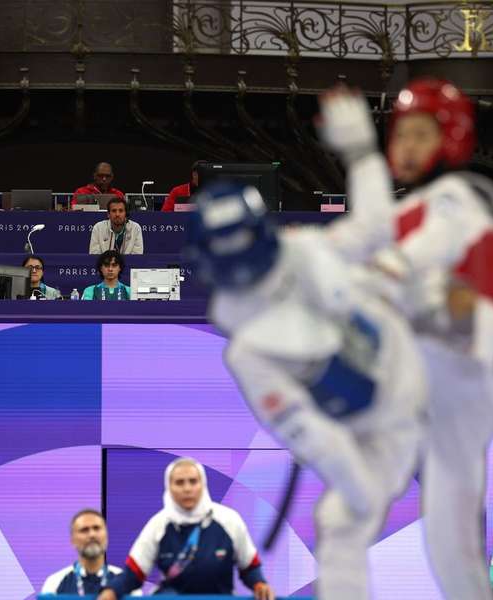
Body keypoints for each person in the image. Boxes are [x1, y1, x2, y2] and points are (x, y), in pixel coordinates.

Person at [317, 82, 493, 600]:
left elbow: (417, 250)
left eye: (420, 134)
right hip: (426, 375)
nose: (405, 146)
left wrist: (375, 277)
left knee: (446, 544)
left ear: (450, 138)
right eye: (399, 135)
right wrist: (361, 155)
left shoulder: (464, 196)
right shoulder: (414, 206)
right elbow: (368, 231)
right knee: (363, 523)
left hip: (466, 368)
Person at [181, 181, 425, 600]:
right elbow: (311, 431)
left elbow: (373, 236)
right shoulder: (241, 338)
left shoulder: (310, 249)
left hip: (413, 365)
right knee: (343, 517)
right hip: (367, 412)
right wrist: (355, 487)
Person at [98, 458, 274, 600]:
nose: (187, 488)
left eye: (193, 481)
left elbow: (250, 567)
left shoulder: (230, 519)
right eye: (180, 482)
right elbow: (133, 574)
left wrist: (260, 584)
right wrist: (111, 591)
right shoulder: (158, 524)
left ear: (203, 484)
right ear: (169, 487)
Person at [41, 509, 122, 595]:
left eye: (96, 528)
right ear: (72, 540)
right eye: (84, 530)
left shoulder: (124, 581)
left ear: (106, 535)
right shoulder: (54, 582)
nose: (92, 535)